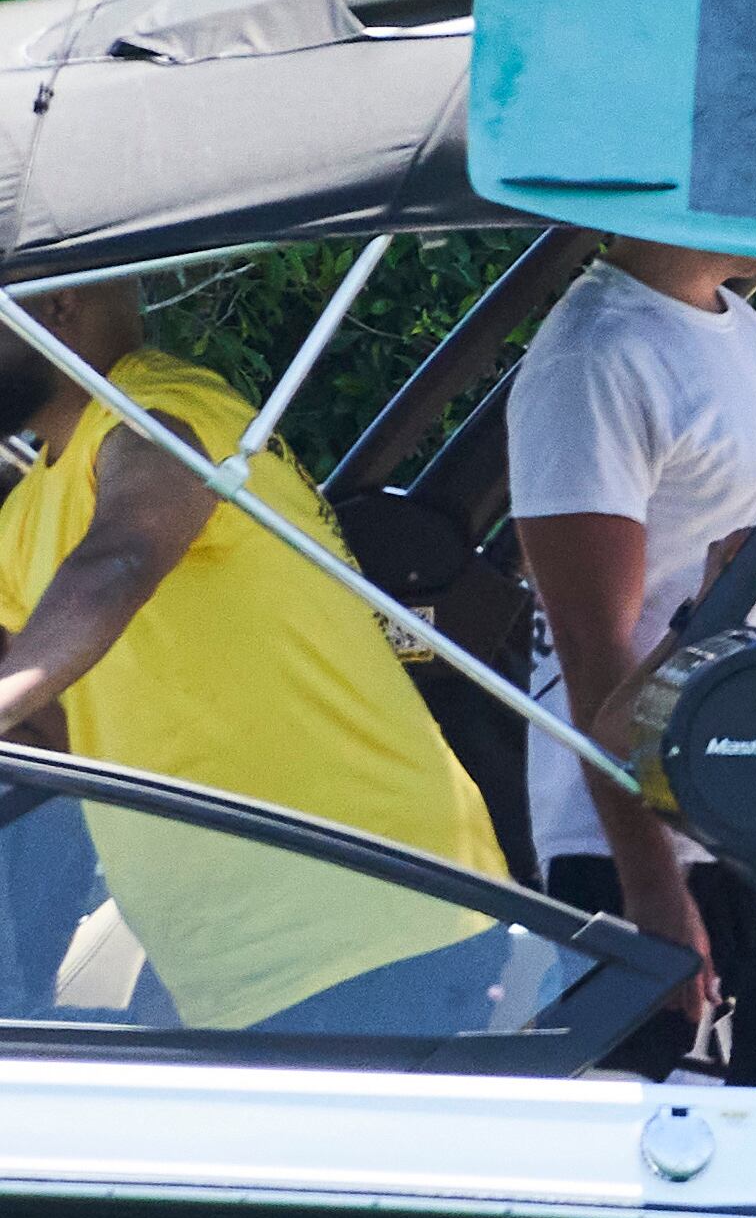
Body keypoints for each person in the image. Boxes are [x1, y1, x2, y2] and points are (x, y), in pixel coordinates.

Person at [0, 278, 506, 1027]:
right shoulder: (28, 510)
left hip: (371, 928)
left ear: (55, 305)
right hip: (234, 966)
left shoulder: (166, 412)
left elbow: (119, 562)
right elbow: (46, 724)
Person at [508, 242, 756, 1072]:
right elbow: (588, 639)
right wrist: (651, 886)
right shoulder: (594, 354)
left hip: (746, 811)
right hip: (631, 846)